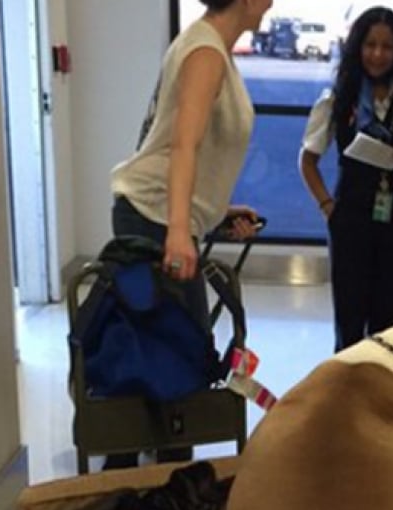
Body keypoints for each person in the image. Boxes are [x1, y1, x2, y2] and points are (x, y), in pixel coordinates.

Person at [105, 0, 272, 470]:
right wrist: (180, 230)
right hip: (154, 220)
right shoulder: (205, 52)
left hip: (163, 217)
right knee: (175, 367)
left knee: (168, 364)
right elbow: (183, 145)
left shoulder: (214, 46)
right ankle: (154, 494)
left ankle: (153, 491)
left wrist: (212, 213)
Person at [299, 7, 393, 353]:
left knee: (388, 322)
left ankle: (379, 392)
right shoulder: (338, 99)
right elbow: (308, 160)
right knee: (349, 318)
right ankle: (345, 394)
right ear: (357, 47)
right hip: (352, 218)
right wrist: (328, 206)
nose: (377, 54)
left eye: (387, 47)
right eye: (370, 45)